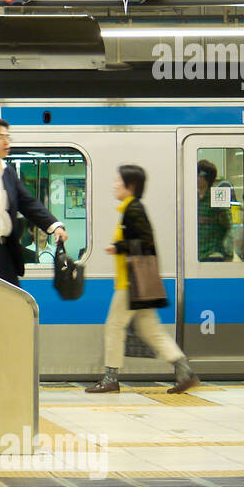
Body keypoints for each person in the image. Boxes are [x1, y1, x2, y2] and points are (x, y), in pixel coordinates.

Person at [87, 165, 199, 395]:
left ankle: (110, 377)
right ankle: (184, 371)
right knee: (151, 330)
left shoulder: (134, 209)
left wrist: (117, 247)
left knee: (114, 326)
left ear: (131, 186)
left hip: (130, 283)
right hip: (135, 283)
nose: (114, 185)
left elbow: (144, 241)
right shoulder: (130, 208)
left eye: (118, 181)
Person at [0, 118, 66, 287]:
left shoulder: (8, 172)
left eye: (8, 137)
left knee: (11, 303)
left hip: (4, 251)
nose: (6, 142)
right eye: (1, 137)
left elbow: (27, 202)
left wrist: (54, 225)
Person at [196, 159, 233, 262]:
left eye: (200, 174)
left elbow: (228, 225)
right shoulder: (192, 197)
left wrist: (228, 254)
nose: (197, 178)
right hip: (196, 254)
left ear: (207, 177)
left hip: (214, 253)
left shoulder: (218, 195)